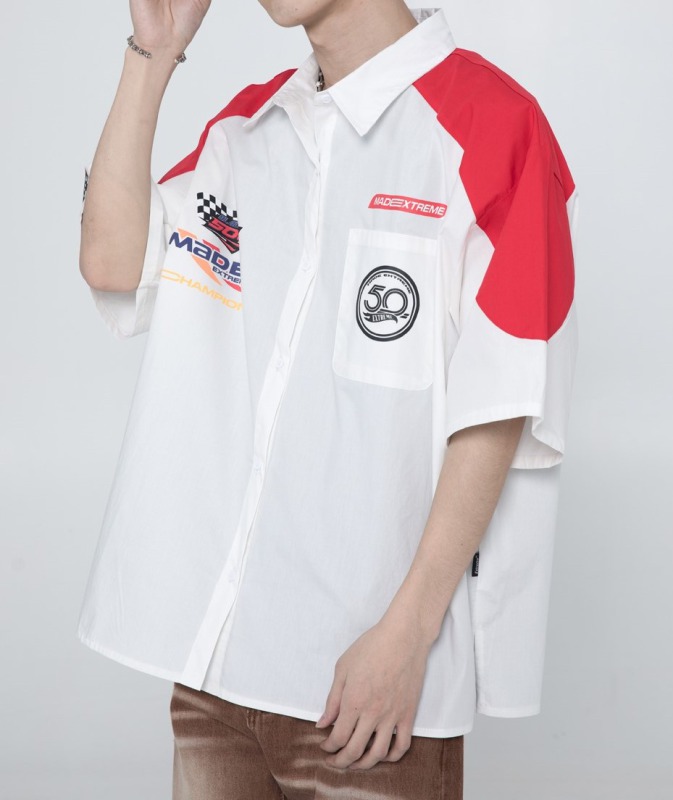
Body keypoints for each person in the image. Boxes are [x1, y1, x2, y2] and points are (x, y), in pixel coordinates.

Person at [77, 1, 578, 797]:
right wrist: (154, 52)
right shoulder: (247, 128)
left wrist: (408, 635)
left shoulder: (496, 127)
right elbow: (112, 260)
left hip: (369, 692)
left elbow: (501, 402)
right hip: (214, 677)